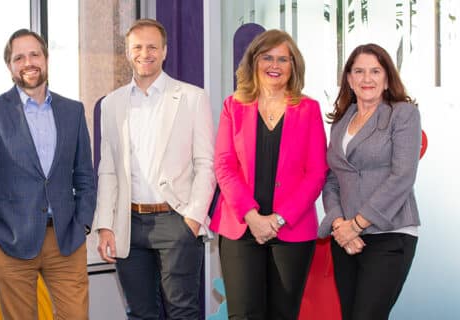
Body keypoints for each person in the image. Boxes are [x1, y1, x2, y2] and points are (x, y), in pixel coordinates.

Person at [92, 19, 216, 319]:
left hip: (177, 220)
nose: (144, 53)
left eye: (151, 47)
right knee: (140, 313)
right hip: (128, 224)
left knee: (182, 311)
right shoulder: (111, 104)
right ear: (127, 52)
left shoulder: (192, 97)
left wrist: (193, 219)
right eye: (137, 47)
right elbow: (107, 168)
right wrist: (105, 225)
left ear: (164, 52)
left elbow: (206, 163)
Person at [0, 28, 96, 320]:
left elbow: (85, 176)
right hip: (10, 241)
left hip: (66, 239)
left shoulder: (73, 111)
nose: (28, 62)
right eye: (19, 57)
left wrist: (84, 224)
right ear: (10, 66)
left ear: (47, 59)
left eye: (35, 54)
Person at [209, 29, 328, 320]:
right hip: (240, 228)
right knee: (244, 314)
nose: (275, 65)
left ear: (293, 66)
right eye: (267, 57)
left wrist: (278, 219)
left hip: (291, 229)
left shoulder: (309, 109)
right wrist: (252, 216)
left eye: (283, 59)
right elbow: (224, 165)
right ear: (254, 61)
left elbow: (316, 173)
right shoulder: (233, 106)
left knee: (283, 314)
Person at [318, 43, 421, 320]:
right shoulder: (341, 121)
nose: (367, 79)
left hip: (390, 234)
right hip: (346, 240)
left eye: (375, 71)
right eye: (359, 71)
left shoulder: (403, 114)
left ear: (387, 77)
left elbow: (402, 177)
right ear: (349, 79)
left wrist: (357, 224)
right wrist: (340, 224)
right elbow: (331, 180)